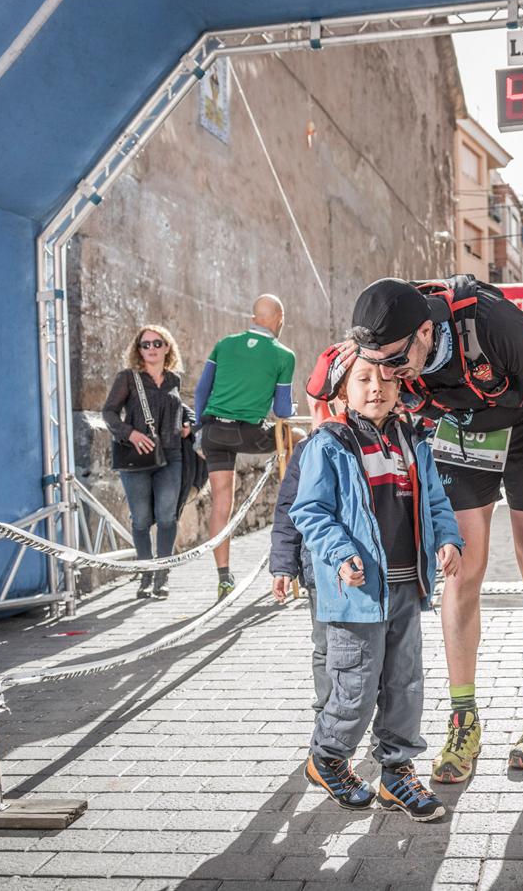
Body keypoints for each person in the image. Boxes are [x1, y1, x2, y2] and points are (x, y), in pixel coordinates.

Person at [344, 275, 523, 784]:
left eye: (394, 361)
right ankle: (463, 719)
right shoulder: (383, 351)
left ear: (424, 333)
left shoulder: (494, 326)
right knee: (458, 566)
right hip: (463, 430)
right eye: (377, 363)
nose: (386, 374)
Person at [290, 352, 463, 822]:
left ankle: (396, 773)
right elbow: (309, 511)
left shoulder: (413, 440)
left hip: (407, 587)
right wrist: (342, 553)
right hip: (356, 594)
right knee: (356, 687)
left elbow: (436, 500)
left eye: (386, 379)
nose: (376, 388)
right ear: (343, 389)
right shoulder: (328, 444)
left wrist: (448, 538)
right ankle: (327, 759)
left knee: (405, 684)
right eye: (363, 379)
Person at [268, 344, 355, 716]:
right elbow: (288, 510)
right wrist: (283, 567)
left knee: (371, 646)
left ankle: (370, 710)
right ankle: (326, 714)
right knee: (324, 645)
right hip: (319, 569)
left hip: (366, 569)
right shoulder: (309, 448)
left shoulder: (382, 443)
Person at [194, 295, 296, 600]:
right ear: (279, 317)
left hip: (213, 430)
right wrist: (290, 406)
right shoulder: (283, 354)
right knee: (299, 436)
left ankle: (224, 577)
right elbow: (282, 410)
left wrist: (200, 431)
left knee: (221, 502)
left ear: (254, 318)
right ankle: (295, 502)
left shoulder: (225, 344)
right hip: (247, 433)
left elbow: (201, 390)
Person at [102, 325, 194, 599]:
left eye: (157, 343)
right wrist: (130, 433)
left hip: (171, 456)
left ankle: (161, 576)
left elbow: (179, 407)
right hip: (136, 458)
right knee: (141, 520)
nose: (151, 349)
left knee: (167, 516)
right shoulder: (128, 378)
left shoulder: (173, 380)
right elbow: (108, 413)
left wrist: (188, 421)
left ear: (167, 347)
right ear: (138, 349)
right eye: (145, 345)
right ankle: (145, 574)